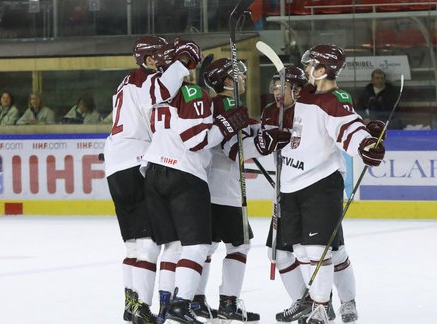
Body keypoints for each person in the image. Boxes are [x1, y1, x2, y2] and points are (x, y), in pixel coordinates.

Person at [263, 44, 385, 324]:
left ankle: (325, 305)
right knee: (302, 251)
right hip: (290, 185)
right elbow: (285, 97)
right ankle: (320, 303)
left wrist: (365, 143)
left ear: (321, 70)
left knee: (320, 251)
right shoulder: (305, 93)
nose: (305, 70)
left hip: (321, 184)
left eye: (309, 66)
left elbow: (348, 128)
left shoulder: (335, 100)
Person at [142, 46, 250, 324]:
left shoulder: (156, 92)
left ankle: (165, 306)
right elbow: (196, 141)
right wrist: (226, 125)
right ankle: (183, 304)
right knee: (199, 245)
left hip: (153, 171)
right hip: (185, 174)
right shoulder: (195, 94)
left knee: (174, 246)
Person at [102, 35, 199, 323]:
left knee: (133, 244)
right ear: (145, 59)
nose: (162, 61)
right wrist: (182, 63)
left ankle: (131, 303)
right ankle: (142, 306)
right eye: (158, 56)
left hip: (116, 163)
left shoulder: (126, 82)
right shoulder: (142, 80)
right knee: (148, 244)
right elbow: (161, 91)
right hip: (134, 162)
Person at [193, 57, 287, 323]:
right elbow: (234, 149)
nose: (245, 80)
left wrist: (260, 131)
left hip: (206, 187)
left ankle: (197, 302)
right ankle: (228, 304)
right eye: (241, 76)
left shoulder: (213, 104)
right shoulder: (230, 103)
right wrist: (264, 143)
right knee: (239, 246)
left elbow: (241, 134)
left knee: (206, 247)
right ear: (228, 81)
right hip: (225, 189)